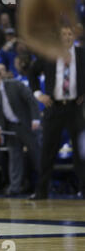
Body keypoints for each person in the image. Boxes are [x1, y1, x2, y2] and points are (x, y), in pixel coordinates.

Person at [28, 24, 85, 199]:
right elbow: (32, 72)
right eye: (64, 34)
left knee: (81, 151)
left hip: (75, 107)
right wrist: (39, 95)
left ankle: (84, 189)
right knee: (48, 150)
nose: (67, 37)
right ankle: (41, 191)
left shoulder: (82, 54)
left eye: (70, 34)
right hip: (54, 106)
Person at [0, 68, 41, 196]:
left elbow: (31, 100)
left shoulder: (15, 85)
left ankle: (43, 186)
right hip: (10, 128)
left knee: (36, 156)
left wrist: (36, 119)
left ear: (0, 77)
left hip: (27, 124)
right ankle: (14, 188)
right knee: (14, 157)